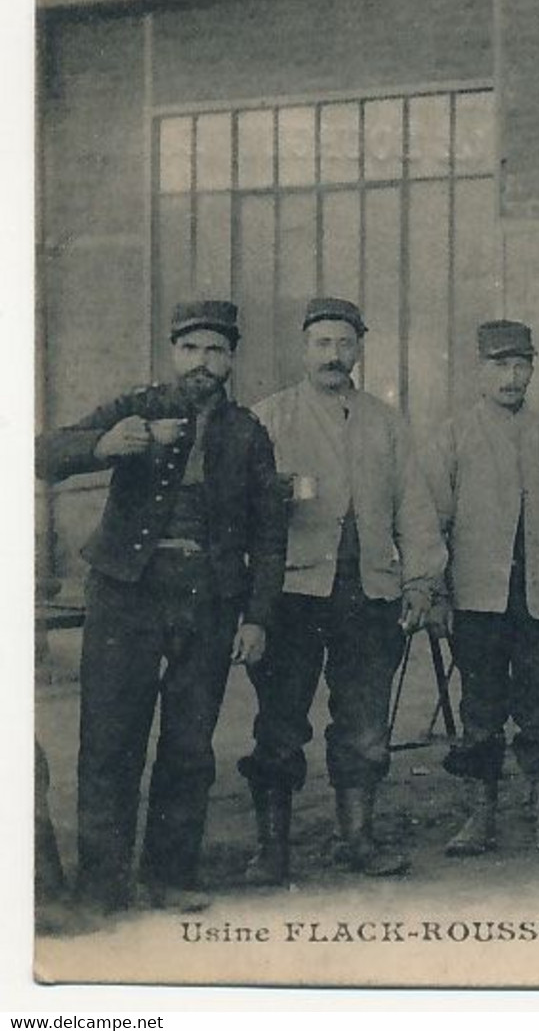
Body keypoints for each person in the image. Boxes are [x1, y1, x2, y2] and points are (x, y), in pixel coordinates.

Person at [36, 299, 286, 913]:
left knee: (190, 745)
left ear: (231, 360)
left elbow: (269, 531)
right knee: (109, 737)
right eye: (192, 349)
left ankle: (170, 874)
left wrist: (256, 617)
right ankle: (103, 883)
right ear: (174, 353)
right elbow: (43, 453)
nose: (203, 363)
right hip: (126, 592)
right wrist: (106, 444)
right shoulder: (137, 407)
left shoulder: (248, 431)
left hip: (209, 599)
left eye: (216, 351)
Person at [238, 297, 446, 881]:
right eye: (323, 344)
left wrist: (421, 580)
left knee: (364, 723)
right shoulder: (269, 418)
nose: (334, 356)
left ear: (359, 350)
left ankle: (357, 838)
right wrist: (273, 497)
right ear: (304, 349)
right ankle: (272, 848)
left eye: (345, 344)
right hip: (294, 595)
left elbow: (416, 508)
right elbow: (238, 510)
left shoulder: (386, 422)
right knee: (280, 721)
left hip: (368, 594)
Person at [424, 320, 539, 861]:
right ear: (479, 371)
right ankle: (478, 819)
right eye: (499, 365)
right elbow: (430, 520)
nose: (511, 376)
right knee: (479, 711)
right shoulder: (453, 436)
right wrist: (435, 591)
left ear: (533, 369)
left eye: (520, 365)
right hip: (478, 599)